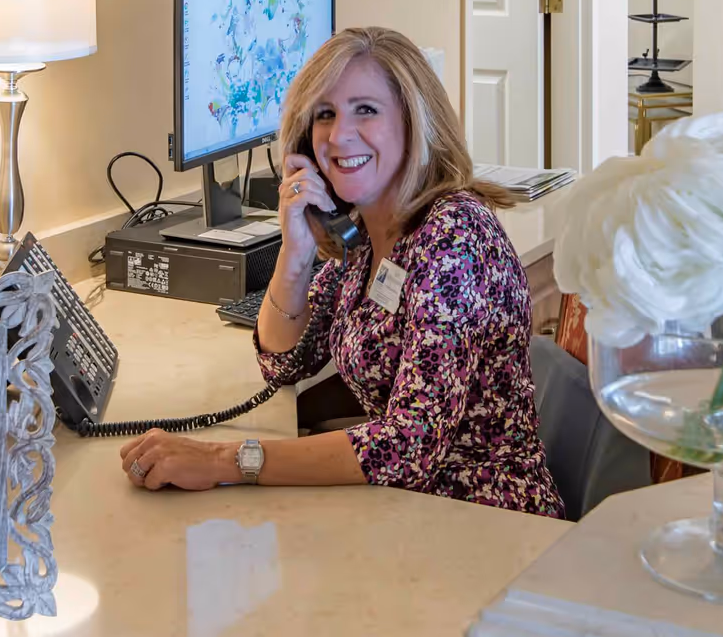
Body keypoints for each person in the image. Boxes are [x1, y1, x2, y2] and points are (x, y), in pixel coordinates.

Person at [119, 26, 563, 518]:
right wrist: (296, 249)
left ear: (415, 122)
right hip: (408, 506)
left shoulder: (454, 237)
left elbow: (407, 446)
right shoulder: (365, 231)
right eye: (324, 114)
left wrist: (226, 459)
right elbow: (284, 363)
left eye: (365, 110)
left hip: (485, 521)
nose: (338, 135)